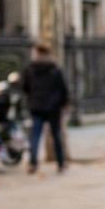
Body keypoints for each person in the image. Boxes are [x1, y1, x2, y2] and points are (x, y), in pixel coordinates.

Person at [21, 40, 70, 174]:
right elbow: (63, 87)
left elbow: (24, 87)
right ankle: (60, 163)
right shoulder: (54, 68)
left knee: (35, 135)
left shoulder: (30, 68)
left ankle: (33, 163)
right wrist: (65, 102)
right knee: (56, 135)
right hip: (53, 106)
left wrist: (32, 98)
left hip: (36, 106)